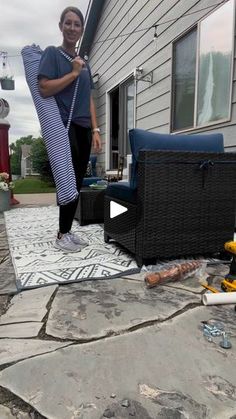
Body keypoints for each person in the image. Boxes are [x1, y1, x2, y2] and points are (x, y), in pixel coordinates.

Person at [38, 6, 101, 253]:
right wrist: (73, 73)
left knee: (77, 181)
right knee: (68, 180)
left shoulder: (84, 63)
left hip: (85, 127)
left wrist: (96, 129)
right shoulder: (52, 54)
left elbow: (89, 99)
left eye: (77, 24)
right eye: (68, 23)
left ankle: (66, 231)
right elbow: (44, 88)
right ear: (61, 26)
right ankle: (62, 234)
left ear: (82, 30)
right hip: (65, 126)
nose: (72, 28)